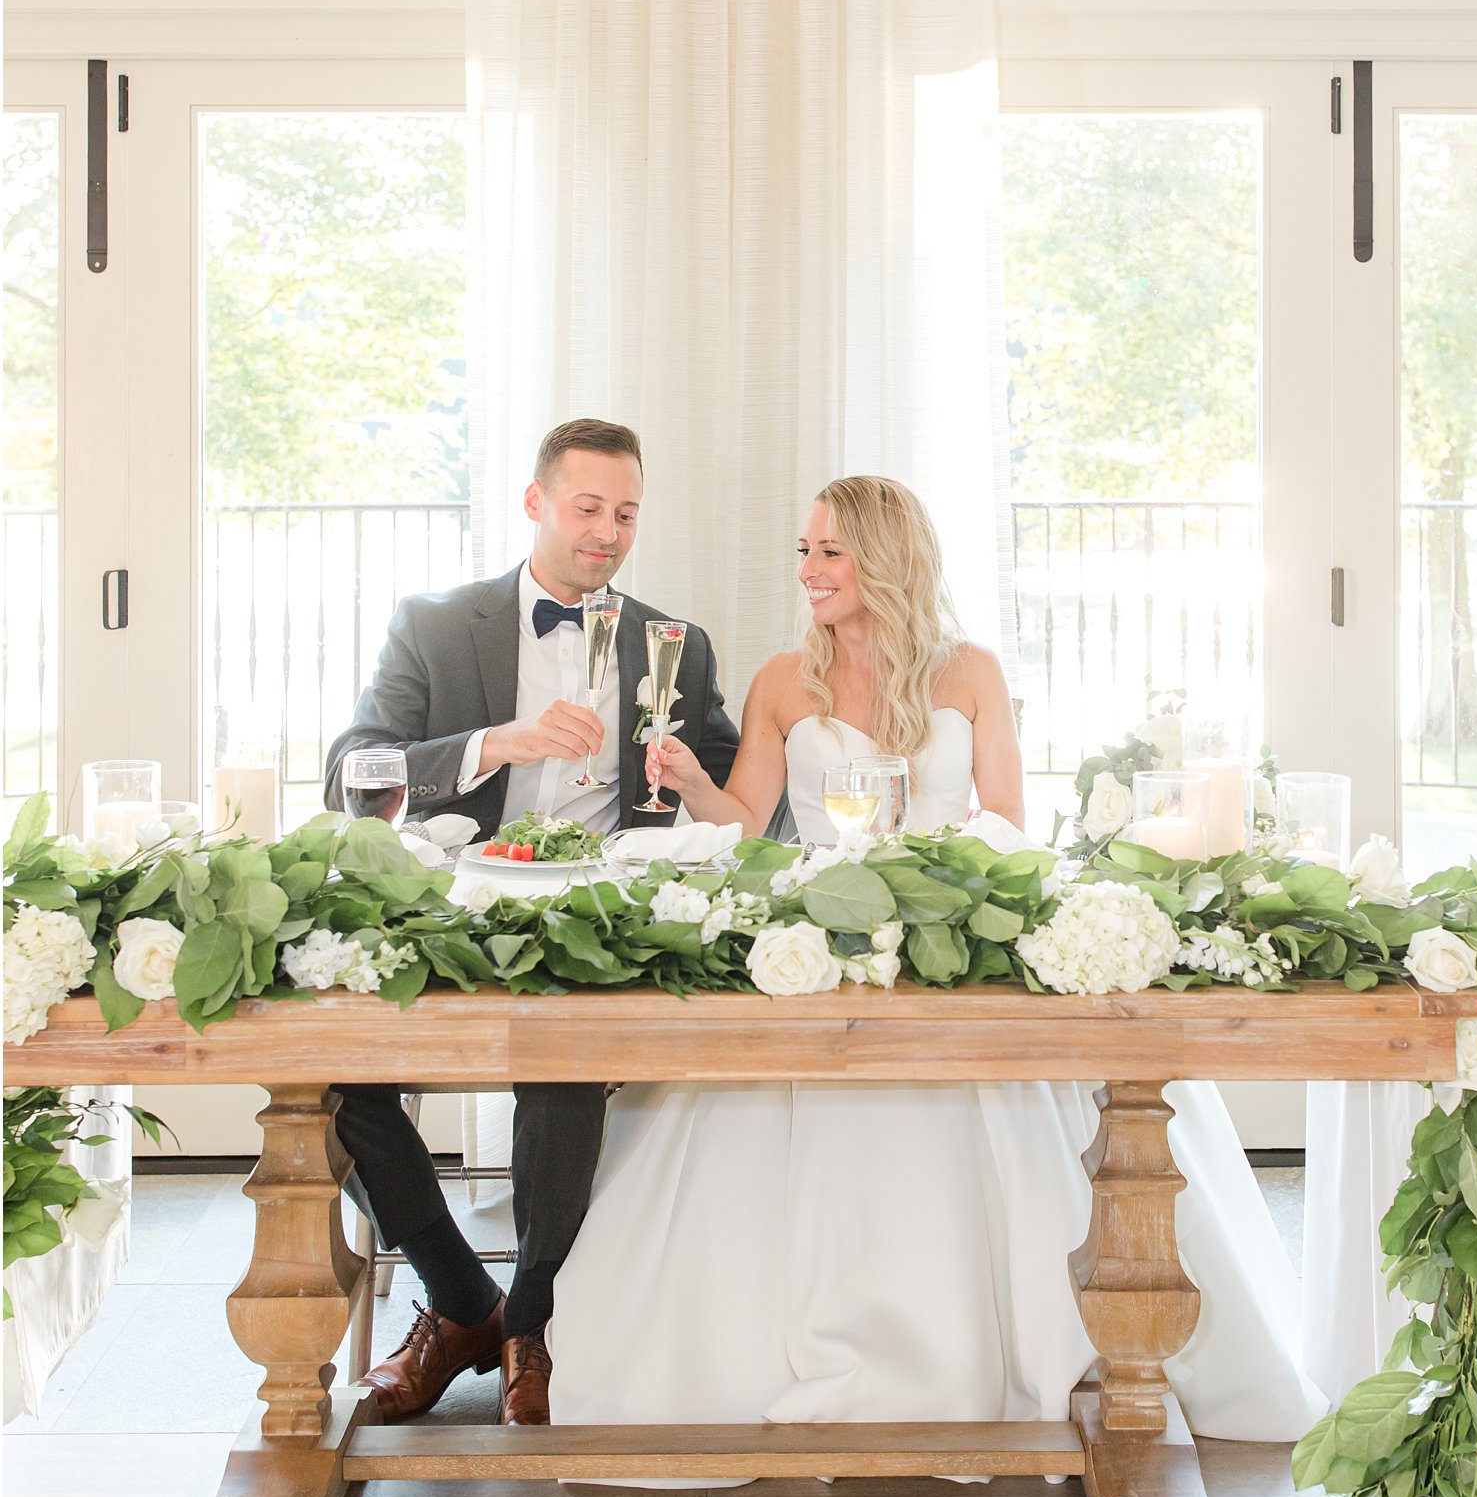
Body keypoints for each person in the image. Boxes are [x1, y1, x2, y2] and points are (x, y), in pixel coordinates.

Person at [547, 475, 1323, 1446]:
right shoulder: (785, 680)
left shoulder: (968, 674)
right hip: (830, 934)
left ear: (883, 559)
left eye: (828, 552)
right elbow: (748, 826)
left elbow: (1005, 823)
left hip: (949, 931)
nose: (808, 572)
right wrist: (693, 781)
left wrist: (944, 884)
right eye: (802, 551)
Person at [322, 419, 739, 1425]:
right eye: (587, 507)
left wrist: (686, 777)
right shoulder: (434, 624)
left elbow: (741, 793)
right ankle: (461, 1299)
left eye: (626, 513)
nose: (607, 532)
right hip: (453, 905)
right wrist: (496, 743)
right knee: (338, 1079)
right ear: (535, 503)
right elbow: (350, 773)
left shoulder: (668, 645)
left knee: (560, 1062)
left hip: (597, 915)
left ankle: (532, 1327)